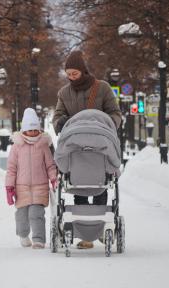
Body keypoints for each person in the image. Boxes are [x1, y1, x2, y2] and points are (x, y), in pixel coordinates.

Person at [52, 50, 122, 249]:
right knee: (79, 187)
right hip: (76, 147)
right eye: (69, 74)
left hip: (100, 144)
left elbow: (115, 113)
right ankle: (85, 234)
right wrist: (60, 122)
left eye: (75, 73)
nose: (71, 77)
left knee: (100, 185)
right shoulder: (64, 93)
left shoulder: (102, 88)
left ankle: (99, 227)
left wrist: (108, 126)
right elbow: (57, 116)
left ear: (83, 71)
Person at [5, 108, 57, 249]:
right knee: (22, 215)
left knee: (36, 213)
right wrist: (9, 187)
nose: (33, 133)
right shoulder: (17, 146)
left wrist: (53, 179)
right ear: (24, 130)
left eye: (35, 130)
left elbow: (50, 165)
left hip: (40, 186)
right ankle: (23, 235)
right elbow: (11, 168)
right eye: (30, 130)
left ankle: (39, 240)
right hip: (21, 188)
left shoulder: (43, 145)